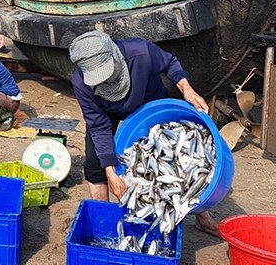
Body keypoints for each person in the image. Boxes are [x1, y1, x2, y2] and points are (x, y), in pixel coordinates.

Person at [69, 30, 216, 232]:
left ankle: (203, 218)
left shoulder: (140, 52)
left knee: (179, 157)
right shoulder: (81, 83)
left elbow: (170, 63)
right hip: (107, 112)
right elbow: (98, 125)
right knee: (96, 162)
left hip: (148, 102)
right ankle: (102, 219)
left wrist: (186, 89)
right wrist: (111, 173)